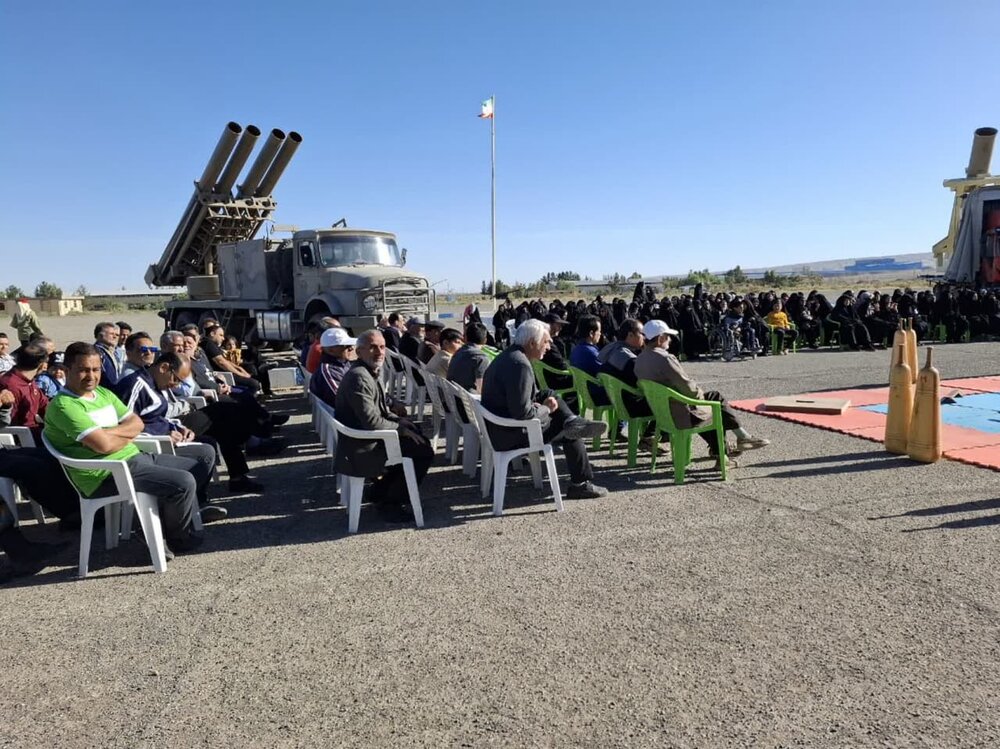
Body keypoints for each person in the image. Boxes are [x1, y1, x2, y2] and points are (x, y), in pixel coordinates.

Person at [43, 342, 204, 553]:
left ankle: (156, 525)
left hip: (132, 457)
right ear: (65, 371)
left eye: (95, 369)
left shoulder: (102, 394)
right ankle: (176, 539)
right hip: (104, 474)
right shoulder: (65, 406)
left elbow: (136, 423)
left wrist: (107, 433)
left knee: (197, 467)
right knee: (183, 482)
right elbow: (103, 446)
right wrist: (119, 435)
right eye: (83, 370)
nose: (91, 376)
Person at [481, 319, 608, 499]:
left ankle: (571, 419)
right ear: (532, 343)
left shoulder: (510, 355)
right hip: (510, 434)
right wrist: (546, 409)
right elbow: (523, 414)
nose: (549, 346)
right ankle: (580, 484)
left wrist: (541, 403)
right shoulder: (520, 365)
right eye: (546, 341)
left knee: (548, 394)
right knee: (572, 432)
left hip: (498, 427)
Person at [634, 320, 769, 468]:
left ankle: (732, 444)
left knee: (711, 400)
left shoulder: (640, 359)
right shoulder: (665, 359)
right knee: (714, 405)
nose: (670, 340)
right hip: (679, 413)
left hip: (662, 413)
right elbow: (688, 388)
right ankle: (727, 451)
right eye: (667, 336)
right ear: (660, 339)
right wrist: (700, 396)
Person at [114, 352, 226, 522]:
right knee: (202, 455)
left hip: (166, 440)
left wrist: (179, 428)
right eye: (176, 379)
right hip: (149, 447)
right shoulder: (135, 386)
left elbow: (159, 418)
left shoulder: (157, 385)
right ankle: (176, 514)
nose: (175, 386)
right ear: (164, 368)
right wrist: (163, 435)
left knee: (207, 451)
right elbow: (124, 427)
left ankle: (195, 504)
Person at [334, 330, 433, 523]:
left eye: (381, 347)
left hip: (367, 436)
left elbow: (380, 410)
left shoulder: (368, 371)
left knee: (416, 434)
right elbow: (371, 421)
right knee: (423, 450)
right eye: (372, 347)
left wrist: (399, 420)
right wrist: (401, 429)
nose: (379, 352)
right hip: (363, 445)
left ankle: (380, 492)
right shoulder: (359, 377)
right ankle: (391, 502)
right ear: (359, 351)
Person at [0, 342, 50, 434]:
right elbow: (9, 426)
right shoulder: (10, 386)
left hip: (36, 430)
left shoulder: (29, 381)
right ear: (42, 365)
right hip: (25, 437)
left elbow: (45, 407)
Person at [308, 327, 357, 409]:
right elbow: (342, 398)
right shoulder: (328, 370)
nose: (351, 348)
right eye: (346, 346)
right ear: (331, 350)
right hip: (344, 417)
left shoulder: (344, 363)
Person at [447, 322, 490, 392]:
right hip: (467, 399)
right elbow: (481, 388)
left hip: (453, 396)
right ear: (485, 340)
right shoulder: (481, 358)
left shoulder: (459, 352)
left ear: (465, 338)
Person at [93, 321, 123, 388]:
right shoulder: (96, 352)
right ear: (100, 335)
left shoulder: (114, 352)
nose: (115, 337)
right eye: (111, 334)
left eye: (117, 335)